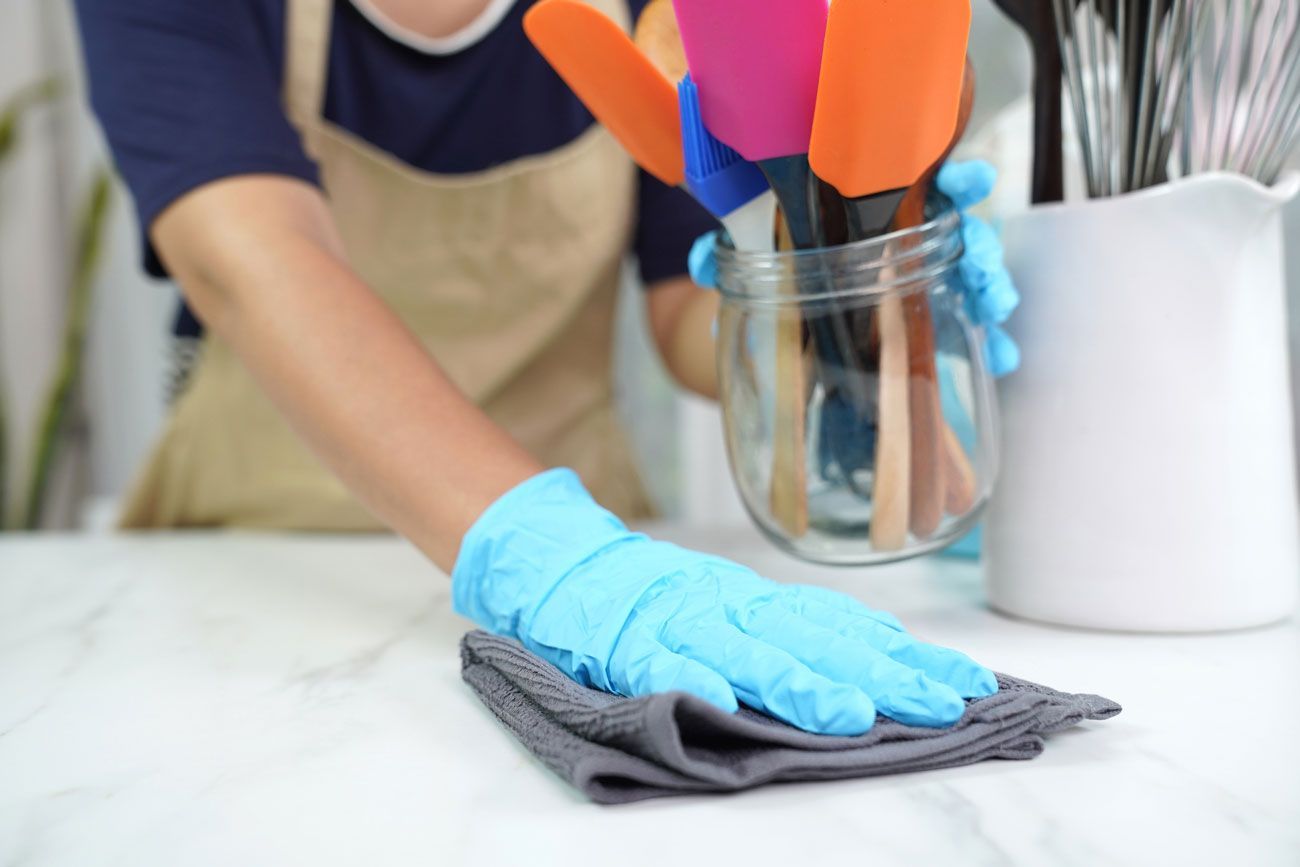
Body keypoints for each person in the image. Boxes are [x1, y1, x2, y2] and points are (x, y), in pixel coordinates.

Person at [73, 0, 1020, 736]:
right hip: (265, 582)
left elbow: (686, 316)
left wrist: (839, 290)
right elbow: (247, 258)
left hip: (600, 560)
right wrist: (550, 554)